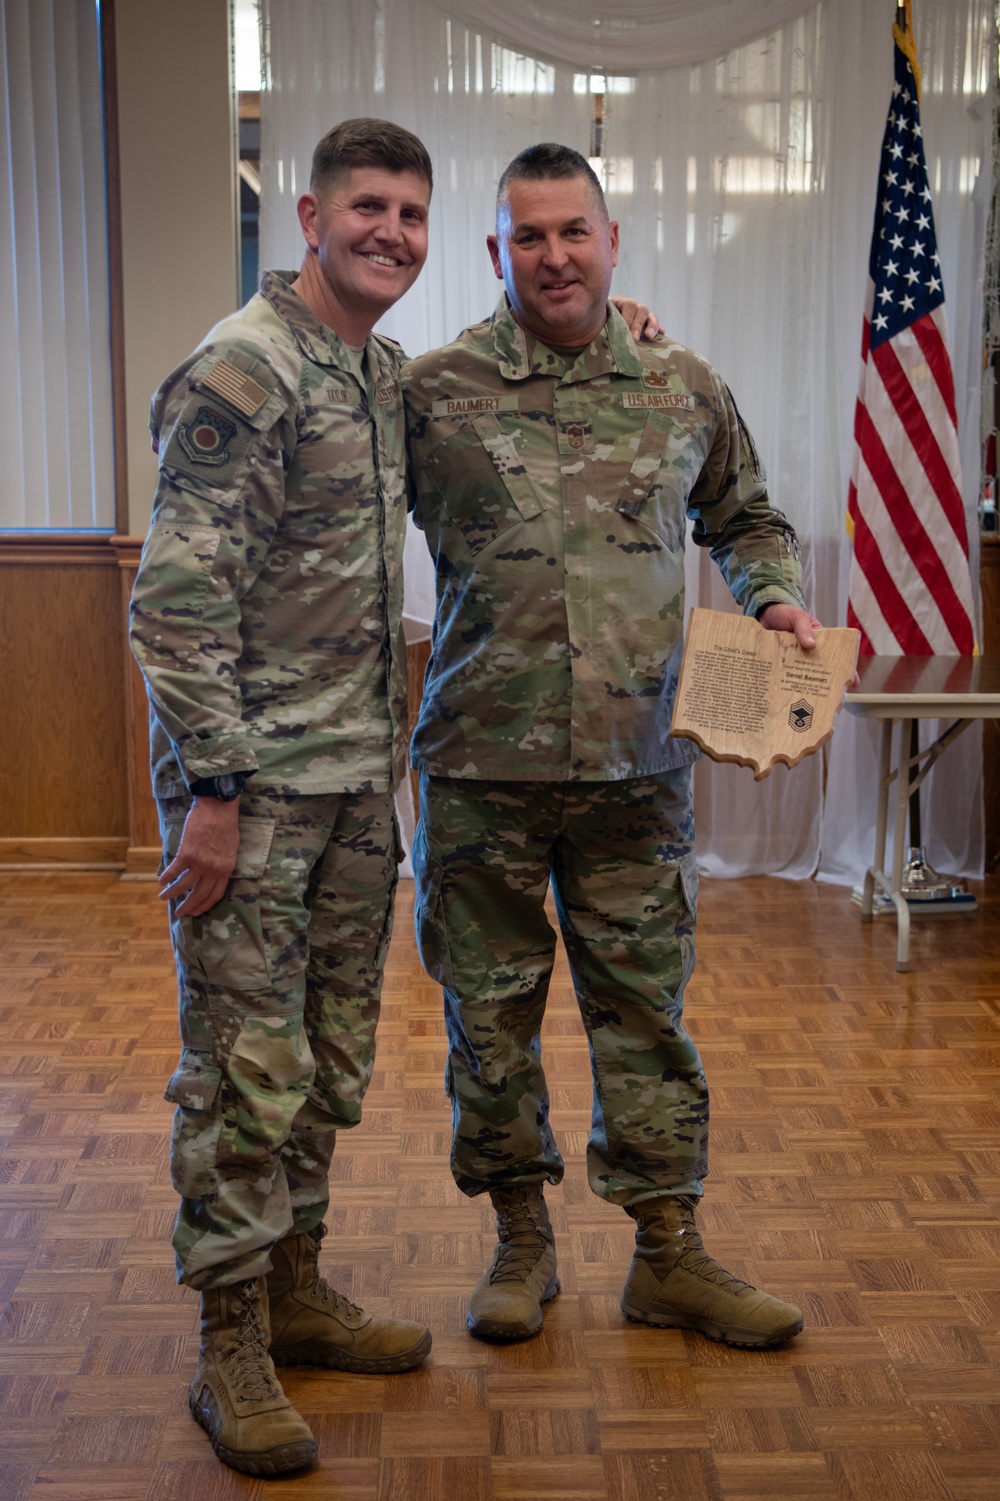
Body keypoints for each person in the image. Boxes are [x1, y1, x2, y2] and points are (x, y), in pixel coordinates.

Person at [403, 143, 821, 1352]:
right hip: (480, 767)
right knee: (490, 1016)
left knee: (646, 1016)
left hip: (639, 769)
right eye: (527, 236)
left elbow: (743, 514)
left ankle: (668, 1255)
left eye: (572, 232)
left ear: (613, 239)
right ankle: (520, 1241)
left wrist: (775, 595)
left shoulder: (681, 386)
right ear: (495, 253)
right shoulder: (432, 393)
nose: (553, 255)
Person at [129, 118, 439, 1478]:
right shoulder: (247, 369)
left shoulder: (375, 371)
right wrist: (213, 790)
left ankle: (300, 1286)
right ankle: (232, 1343)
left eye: (412, 213)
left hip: (358, 780)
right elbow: (176, 596)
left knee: (326, 1058)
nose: (391, 232)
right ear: (308, 218)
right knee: (244, 1075)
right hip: (252, 794)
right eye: (367, 206)